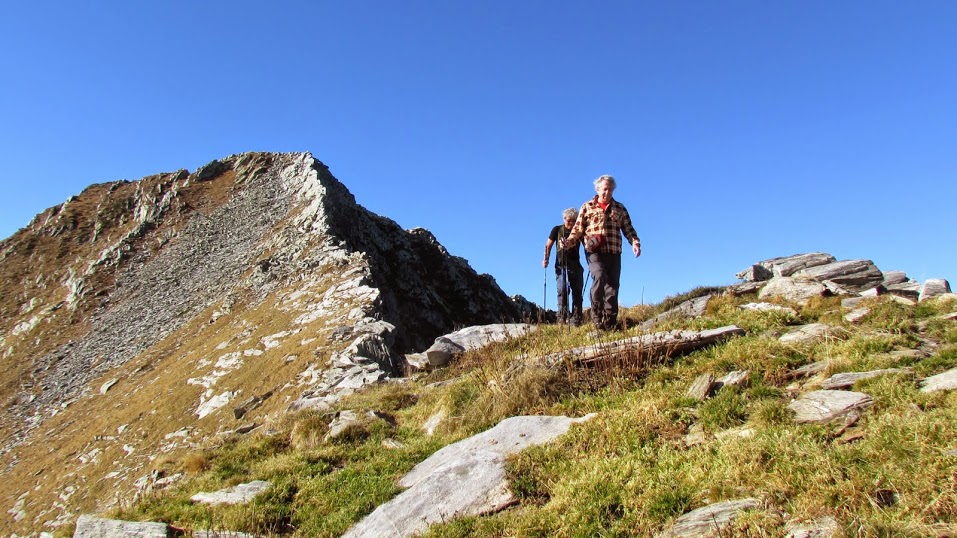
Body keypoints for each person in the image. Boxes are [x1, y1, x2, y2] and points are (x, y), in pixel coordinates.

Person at [562, 174, 641, 331]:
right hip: (594, 251)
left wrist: (635, 242)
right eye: (605, 189)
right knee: (599, 275)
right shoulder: (587, 207)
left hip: (614, 251)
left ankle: (610, 322)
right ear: (597, 189)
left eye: (610, 190)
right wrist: (568, 242)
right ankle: (596, 316)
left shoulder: (620, 208)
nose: (607, 192)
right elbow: (577, 229)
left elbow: (628, 228)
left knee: (612, 286)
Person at [542, 208, 584, 325]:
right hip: (560, 265)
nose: (570, 223)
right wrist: (546, 259)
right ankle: (562, 317)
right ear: (564, 219)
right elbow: (548, 245)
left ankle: (576, 318)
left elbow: (586, 244)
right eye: (568, 220)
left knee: (577, 291)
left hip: (575, 264)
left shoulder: (578, 231)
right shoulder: (557, 230)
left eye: (573, 221)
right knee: (562, 290)